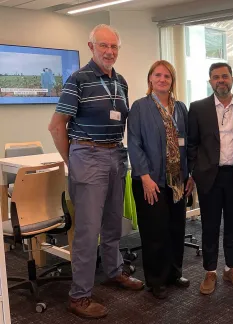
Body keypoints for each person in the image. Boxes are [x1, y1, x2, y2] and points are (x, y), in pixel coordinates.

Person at [47, 24, 143, 319]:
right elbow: (56, 125)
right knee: (88, 231)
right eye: (104, 46)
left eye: (114, 47)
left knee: (114, 222)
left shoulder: (121, 82)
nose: (109, 52)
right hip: (87, 155)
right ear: (91, 47)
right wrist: (73, 158)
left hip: (116, 154)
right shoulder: (78, 79)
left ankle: (113, 271)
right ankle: (79, 296)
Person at [127, 60, 195, 299]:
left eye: (167, 76)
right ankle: (155, 280)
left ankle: (174, 273)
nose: (162, 79)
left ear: (172, 81)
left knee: (176, 228)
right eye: (158, 75)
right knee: (154, 231)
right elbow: (134, 144)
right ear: (150, 79)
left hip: (177, 180)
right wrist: (144, 177)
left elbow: (188, 144)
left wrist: (190, 176)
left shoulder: (181, 109)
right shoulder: (139, 107)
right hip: (151, 180)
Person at [187, 62, 233, 295]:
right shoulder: (198, 108)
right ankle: (210, 271)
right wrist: (194, 171)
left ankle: (230, 267)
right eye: (216, 77)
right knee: (210, 226)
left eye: (225, 76)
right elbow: (192, 143)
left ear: (232, 79)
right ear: (210, 81)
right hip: (208, 177)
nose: (220, 80)